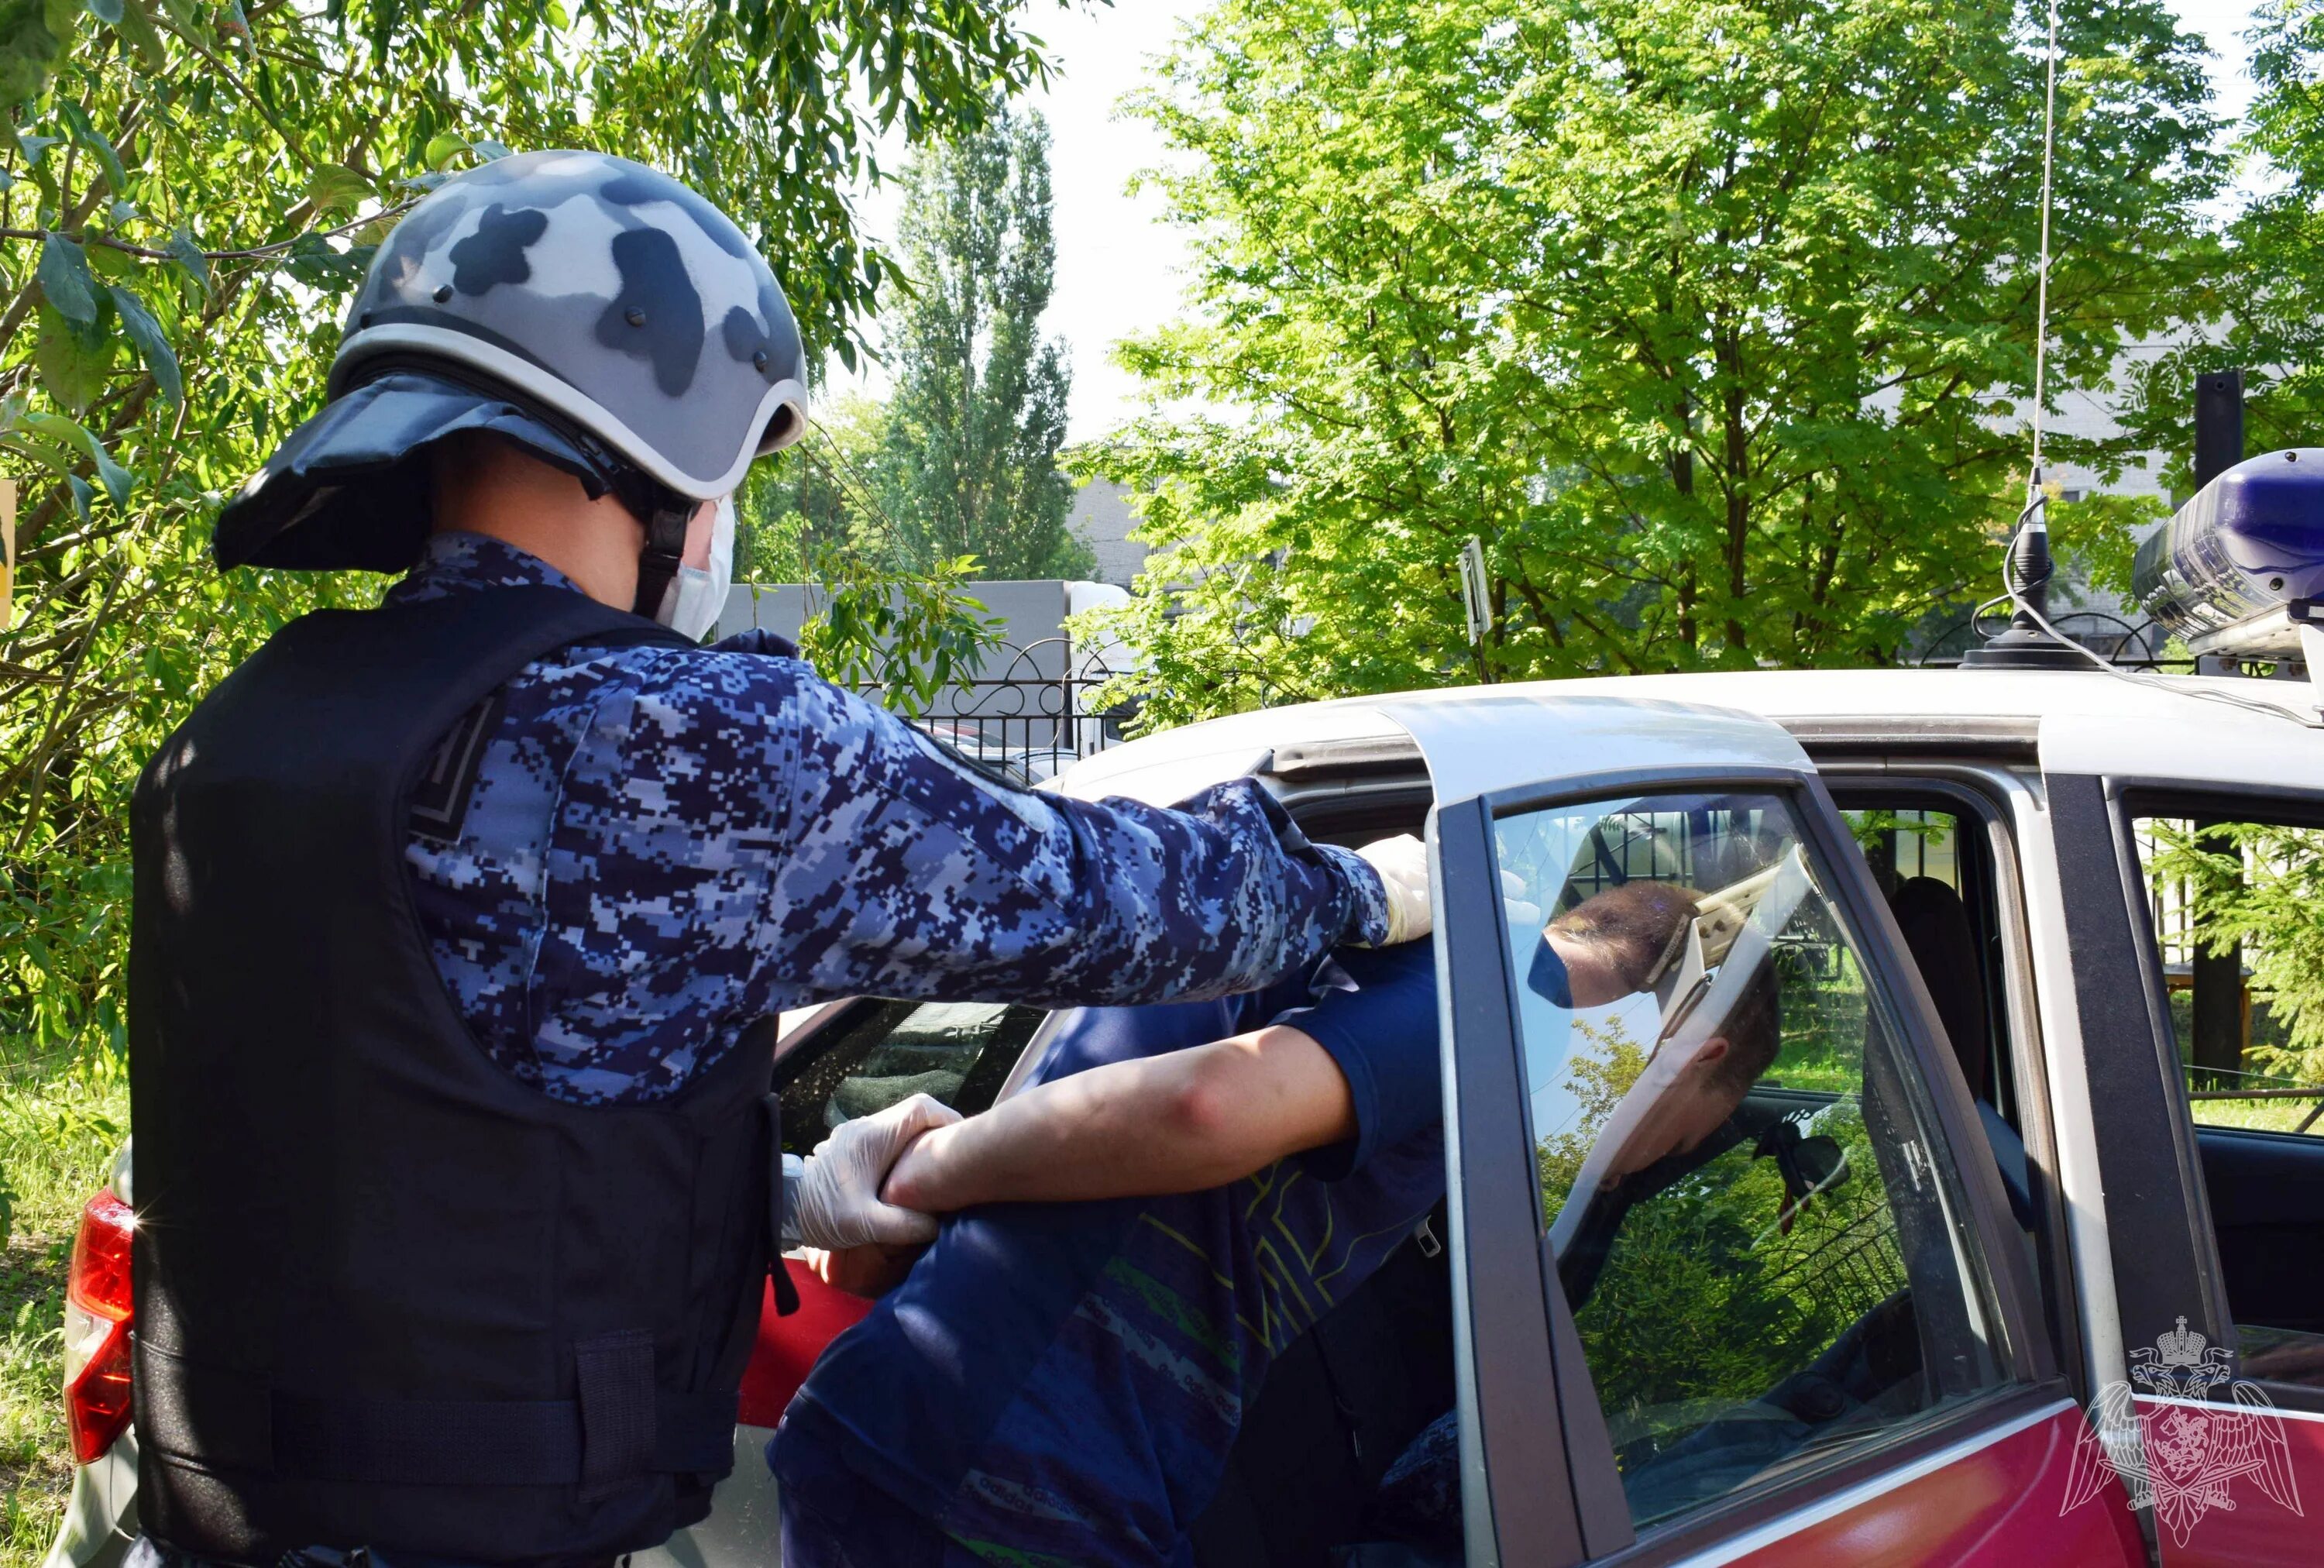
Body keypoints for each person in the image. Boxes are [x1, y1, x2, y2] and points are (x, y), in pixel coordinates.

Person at [125, 150, 1428, 1568]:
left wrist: (787, 1189)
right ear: (666, 442)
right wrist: (1367, 888)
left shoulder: (239, 733)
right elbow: (1132, 906)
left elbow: (403, 1148)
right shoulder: (680, 736)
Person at [769, 882, 1707, 1566]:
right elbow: (1210, 1107)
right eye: (1697, 1133)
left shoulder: (1411, 945)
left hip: (986, 1452)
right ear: (1689, 1049)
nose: (1665, 1159)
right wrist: (924, 1171)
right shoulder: (1502, 998)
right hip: (1016, 1483)